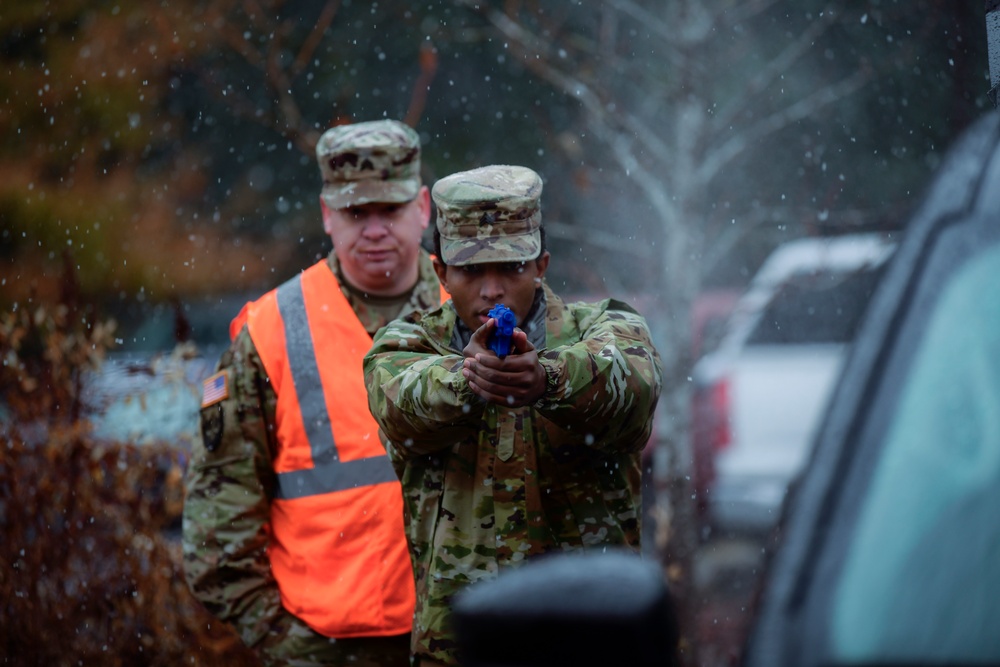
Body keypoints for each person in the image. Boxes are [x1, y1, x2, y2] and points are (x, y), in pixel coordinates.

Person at [363, 164, 663, 667]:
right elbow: (401, 402)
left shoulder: (606, 326)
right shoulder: (407, 344)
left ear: (541, 265)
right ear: (440, 272)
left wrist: (549, 379)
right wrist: (468, 379)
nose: (492, 290)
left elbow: (634, 386)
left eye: (511, 268)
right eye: (471, 270)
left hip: (592, 641)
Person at [182, 119, 445, 667]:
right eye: (355, 213)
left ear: (422, 208)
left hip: (464, 638)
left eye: (390, 210)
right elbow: (218, 524)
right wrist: (290, 644)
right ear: (327, 215)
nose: (374, 230)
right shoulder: (272, 330)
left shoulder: (475, 308)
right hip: (330, 647)